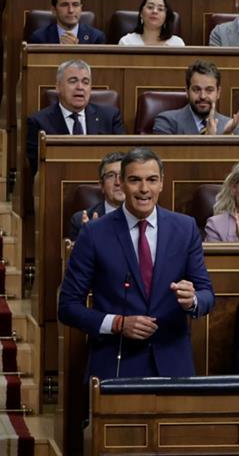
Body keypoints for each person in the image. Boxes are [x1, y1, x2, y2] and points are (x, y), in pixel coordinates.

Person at [57, 147, 214, 379]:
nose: (144, 189)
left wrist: (192, 300)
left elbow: (207, 295)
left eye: (151, 180)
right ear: (121, 183)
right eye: (134, 180)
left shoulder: (185, 228)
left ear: (161, 183)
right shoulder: (93, 233)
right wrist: (118, 323)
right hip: (116, 365)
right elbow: (68, 307)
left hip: (172, 365)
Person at [25, 58, 124, 171]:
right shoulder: (38, 122)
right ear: (58, 87)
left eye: (85, 82)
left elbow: (121, 161)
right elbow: (38, 168)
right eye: (73, 81)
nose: (80, 87)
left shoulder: (110, 117)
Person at [152, 60, 239, 135]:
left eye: (209, 90)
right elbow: (166, 157)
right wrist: (208, 140)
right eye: (196, 89)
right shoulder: (166, 122)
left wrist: (226, 136)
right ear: (187, 91)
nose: (203, 96)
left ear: (218, 93)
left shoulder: (230, 126)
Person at [68, 151, 127, 241]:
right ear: (102, 185)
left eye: (122, 175)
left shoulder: (143, 216)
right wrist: (89, 239)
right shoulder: (79, 221)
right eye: (111, 176)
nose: (118, 182)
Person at [27, 0, 106, 45]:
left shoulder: (96, 38)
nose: (71, 10)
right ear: (54, 10)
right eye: (64, 5)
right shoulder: (39, 38)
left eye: (75, 5)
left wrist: (78, 50)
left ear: (81, 8)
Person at [118, 0, 185, 47]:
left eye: (160, 9)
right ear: (141, 13)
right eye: (150, 7)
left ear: (166, 17)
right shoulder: (126, 42)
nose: (155, 11)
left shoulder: (177, 44)